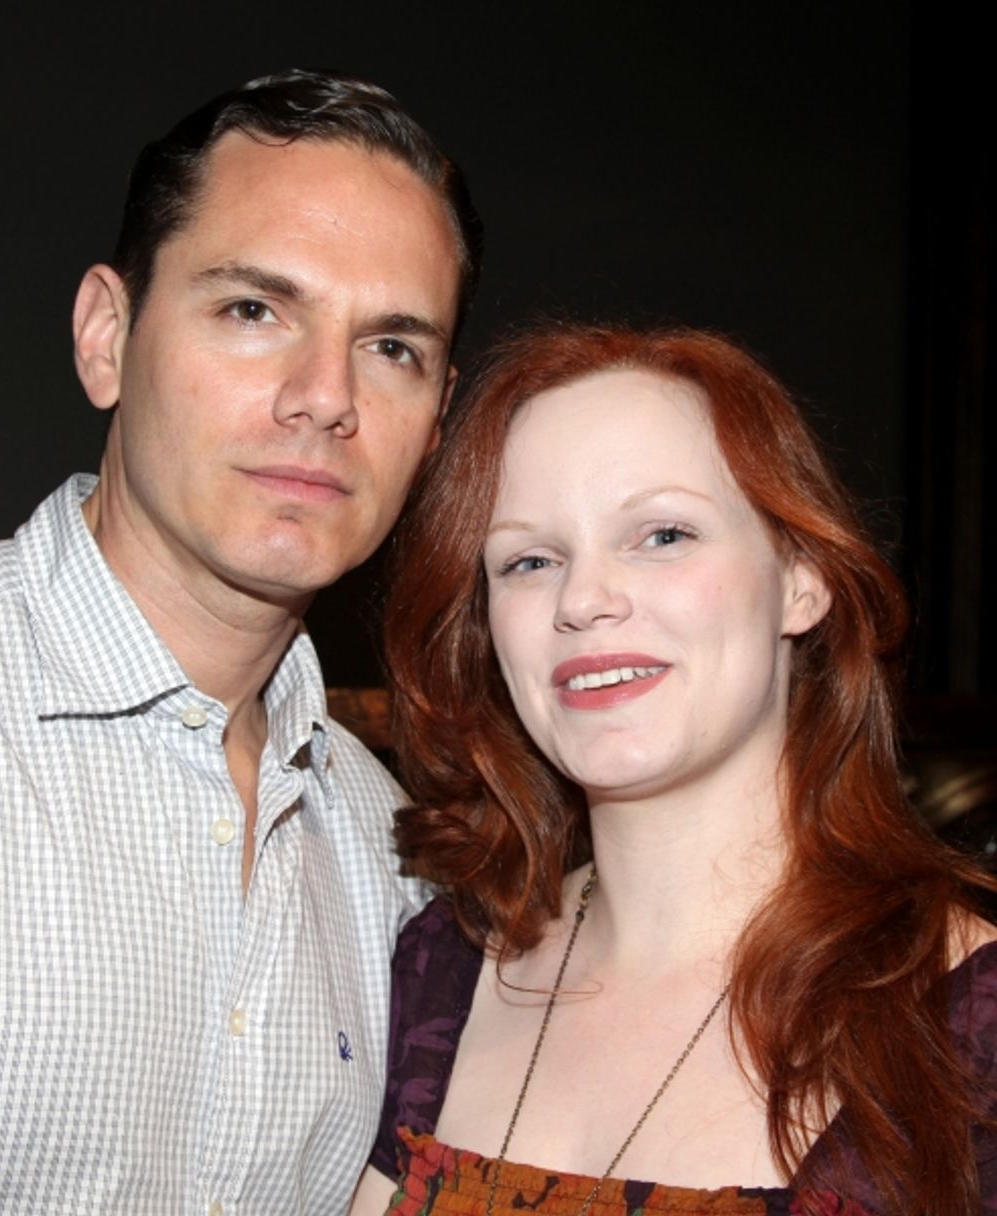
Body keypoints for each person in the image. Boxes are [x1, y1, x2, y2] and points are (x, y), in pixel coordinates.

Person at [0, 69, 482, 1214]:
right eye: (254, 309)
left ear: (437, 424)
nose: (324, 397)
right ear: (106, 337)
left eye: (393, 348)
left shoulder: (386, 846)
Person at [352, 324, 997, 1216]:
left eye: (661, 535)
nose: (583, 599)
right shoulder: (435, 977)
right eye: (529, 560)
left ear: (802, 576)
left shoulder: (970, 1023)